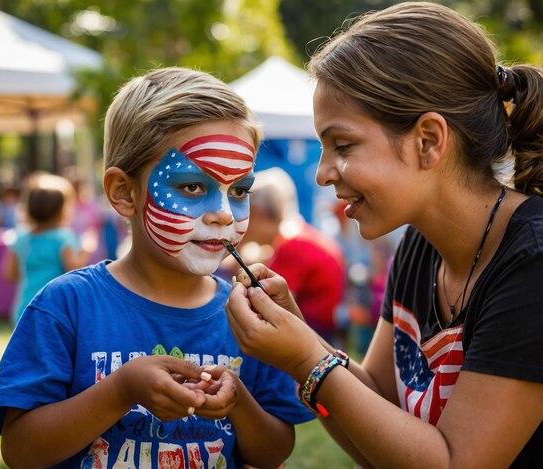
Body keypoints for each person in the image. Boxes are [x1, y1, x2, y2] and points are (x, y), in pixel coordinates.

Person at [226, 2, 543, 467]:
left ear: (429, 141)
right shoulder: (421, 244)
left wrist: (305, 361)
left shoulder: (532, 261)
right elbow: (377, 412)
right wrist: (302, 338)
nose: (321, 174)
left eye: (343, 145)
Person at [0, 67, 313, 468]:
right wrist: (120, 391)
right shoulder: (66, 305)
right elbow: (21, 451)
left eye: (239, 191)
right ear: (124, 192)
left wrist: (239, 403)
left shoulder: (249, 320)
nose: (224, 214)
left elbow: (274, 452)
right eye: (192, 186)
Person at [224, 167, 346, 345]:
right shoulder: (298, 234)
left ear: (257, 213)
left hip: (316, 334)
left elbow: (268, 302)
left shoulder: (291, 247)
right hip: (325, 328)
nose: (241, 227)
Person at [1, 172, 94, 325]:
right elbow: (74, 269)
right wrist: (86, 249)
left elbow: (9, 274)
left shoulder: (20, 238)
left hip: (24, 309)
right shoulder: (62, 238)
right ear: (62, 210)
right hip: (53, 309)